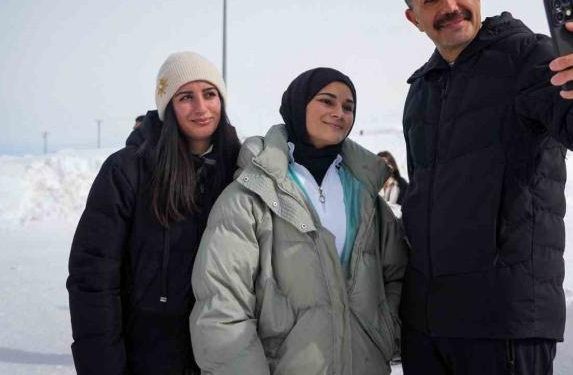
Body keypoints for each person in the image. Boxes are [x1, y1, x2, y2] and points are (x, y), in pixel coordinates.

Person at [397, 0, 573, 374]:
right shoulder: (421, 89)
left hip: (504, 323)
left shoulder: (528, 57)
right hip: (428, 327)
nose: (449, 5)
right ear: (413, 17)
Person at [191, 67, 408, 375]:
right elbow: (222, 308)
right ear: (298, 105)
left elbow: (397, 275)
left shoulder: (367, 194)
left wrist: (385, 330)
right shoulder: (250, 196)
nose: (339, 113)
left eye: (348, 107)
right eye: (327, 101)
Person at [67, 51, 240, 375]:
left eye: (210, 94)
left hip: (226, 359)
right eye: (186, 97)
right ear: (167, 105)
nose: (201, 108)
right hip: (148, 360)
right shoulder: (127, 171)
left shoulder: (241, 171)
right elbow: (93, 279)